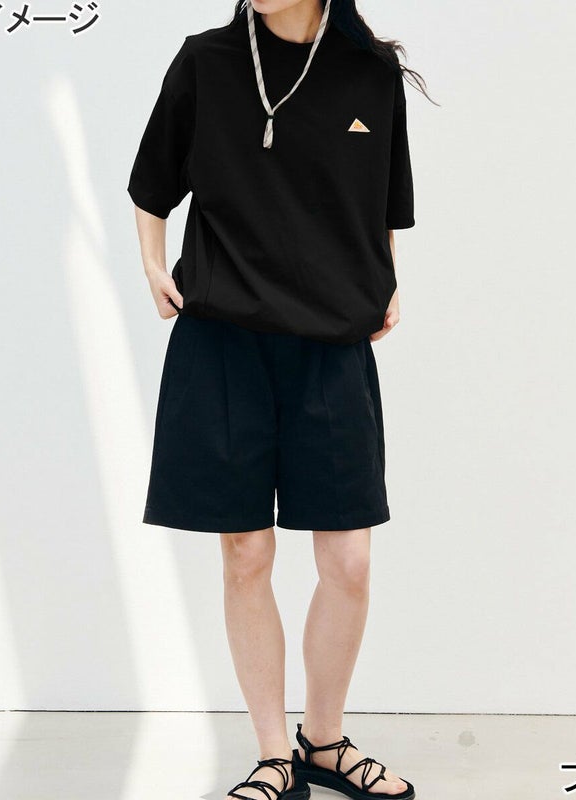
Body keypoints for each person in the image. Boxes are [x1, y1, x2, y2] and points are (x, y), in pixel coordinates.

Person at [127, 1, 432, 798]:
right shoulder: (207, 60)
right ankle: (273, 754)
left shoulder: (372, 73)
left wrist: (386, 279)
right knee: (246, 552)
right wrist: (153, 265)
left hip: (330, 343)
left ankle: (323, 741)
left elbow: (384, 202)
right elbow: (152, 182)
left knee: (349, 561)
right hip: (223, 339)